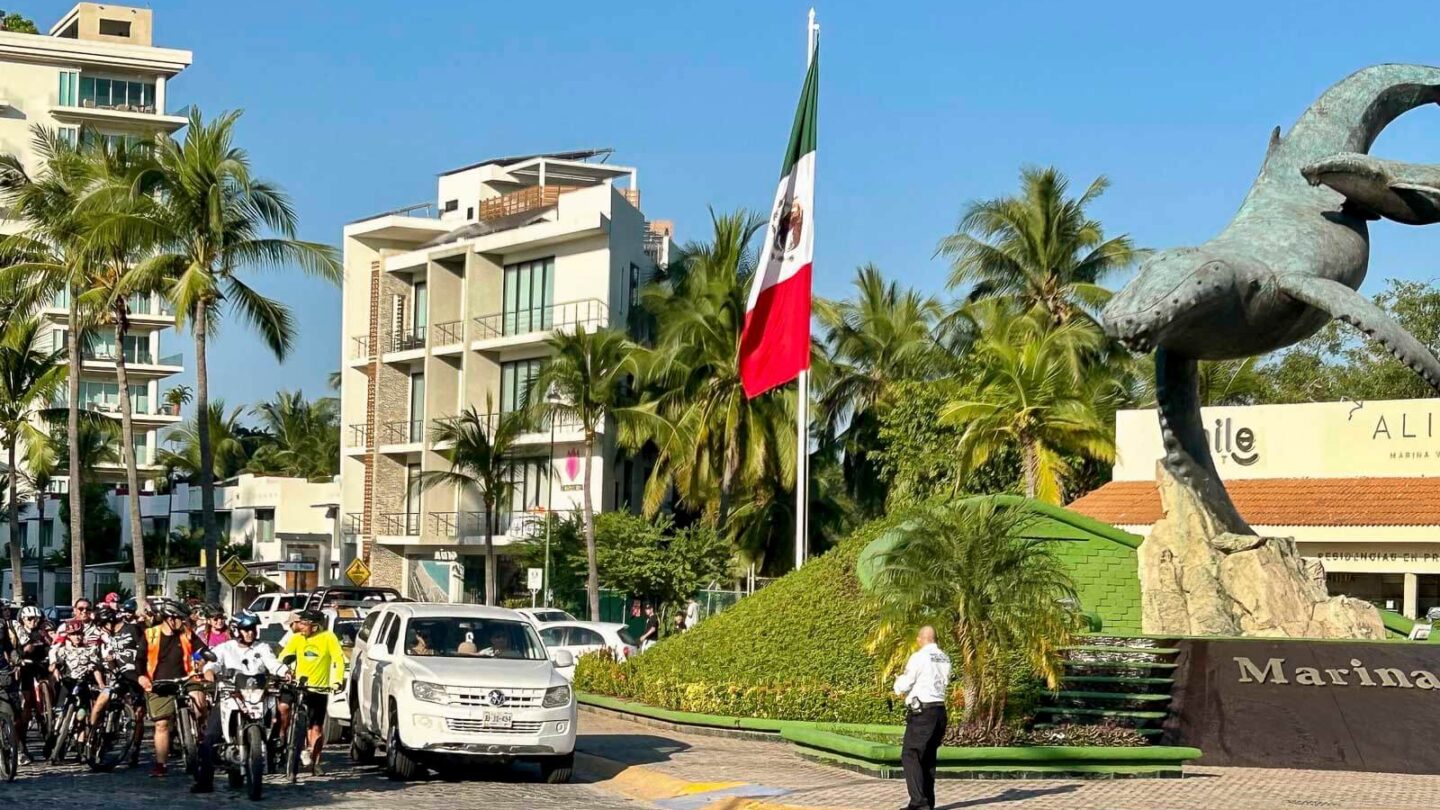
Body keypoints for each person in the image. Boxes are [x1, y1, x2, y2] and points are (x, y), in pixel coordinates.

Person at [192, 610, 289, 793]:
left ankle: (274, 751)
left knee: (275, 719)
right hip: (231, 697)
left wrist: (285, 672)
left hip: (258, 697)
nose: (250, 632)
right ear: (236, 630)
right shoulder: (225, 648)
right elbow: (213, 663)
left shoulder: (262, 648)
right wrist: (209, 671)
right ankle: (205, 780)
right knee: (210, 737)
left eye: (253, 628)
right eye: (246, 629)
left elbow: (273, 663)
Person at [142, 600, 207, 778]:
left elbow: (201, 649)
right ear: (170, 618)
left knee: (199, 703)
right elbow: (139, 660)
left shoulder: (186, 633)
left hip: (186, 678)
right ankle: (161, 764)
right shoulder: (150, 634)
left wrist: (202, 661)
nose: (183, 622)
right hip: (159, 682)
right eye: (180, 618)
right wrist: (141, 677)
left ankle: (201, 736)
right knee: (161, 724)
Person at [278, 609, 344, 776]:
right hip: (299, 686)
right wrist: (283, 667)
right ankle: (285, 741)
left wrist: (337, 681)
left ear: (315, 626)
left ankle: (315, 762)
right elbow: (284, 655)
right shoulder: (297, 638)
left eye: (305, 624)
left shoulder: (328, 637)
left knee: (316, 728)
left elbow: (338, 660)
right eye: (301, 623)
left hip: (319, 688)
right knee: (287, 710)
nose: (301, 627)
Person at [893, 626, 952, 810]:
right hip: (939, 711)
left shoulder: (919, 657)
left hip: (923, 713)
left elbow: (906, 682)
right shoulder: (944, 657)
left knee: (910, 754)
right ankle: (928, 801)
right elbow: (946, 681)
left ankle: (918, 803)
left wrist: (897, 683)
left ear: (921, 638)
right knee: (927, 757)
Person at [92, 603, 146, 767]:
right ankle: (93, 734)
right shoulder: (106, 637)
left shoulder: (132, 629)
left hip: (136, 677)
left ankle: (135, 749)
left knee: (138, 714)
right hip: (118, 677)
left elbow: (145, 650)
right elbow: (105, 657)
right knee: (100, 702)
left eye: (103, 626)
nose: (102, 629)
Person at [13, 604, 51, 763]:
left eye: (36, 618)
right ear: (23, 620)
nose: (34, 621)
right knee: (24, 709)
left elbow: (50, 647)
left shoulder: (41, 633)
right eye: (30, 619)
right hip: (24, 670)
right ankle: (21, 747)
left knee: (50, 686)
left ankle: (49, 716)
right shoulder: (16, 633)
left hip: (39, 668)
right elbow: (18, 651)